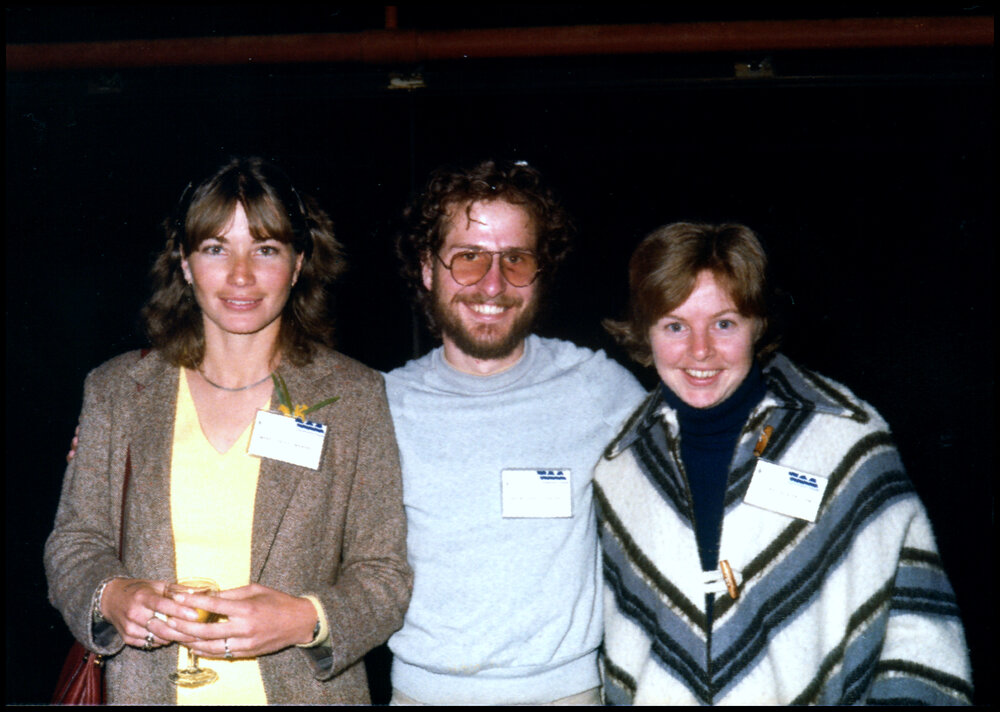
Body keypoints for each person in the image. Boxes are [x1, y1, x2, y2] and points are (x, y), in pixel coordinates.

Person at [44, 156, 412, 704]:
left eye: (266, 249)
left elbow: (384, 574)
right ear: (185, 263)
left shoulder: (354, 397)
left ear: (298, 263)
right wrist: (113, 596)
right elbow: (74, 544)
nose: (241, 276)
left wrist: (303, 619)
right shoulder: (117, 390)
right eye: (216, 249)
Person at [594, 221, 973, 704]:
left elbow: (917, 621)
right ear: (645, 333)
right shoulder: (621, 467)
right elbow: (623, 643)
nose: (699, 350)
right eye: (675, 326)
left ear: (757, 324)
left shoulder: (844, 439)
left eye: (724, 323)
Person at [384, 159, 646, 704]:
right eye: (469, 257)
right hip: (422, 694)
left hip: (567, 693)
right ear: (429, 270)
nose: (493, 283)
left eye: (516, 259)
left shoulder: (598, 389)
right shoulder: (384, 404)